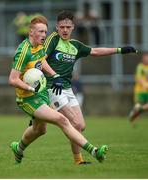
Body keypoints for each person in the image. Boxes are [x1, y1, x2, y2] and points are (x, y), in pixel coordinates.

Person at [9, 15, 108, 164]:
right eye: (40, 31)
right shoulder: (23, 52)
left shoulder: (39, 47)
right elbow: (13, 79)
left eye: (45, 32)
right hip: (28, 98)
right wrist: (30, 87)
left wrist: (54, 75)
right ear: (30, 32)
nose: (43, 35)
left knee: (40, 130)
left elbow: (42, 61)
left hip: (41, 93)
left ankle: (19, 149)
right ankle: (94, 152)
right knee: (62, 120)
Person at [43, 10, 138, 165]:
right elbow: (42, 59)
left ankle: (29, 139)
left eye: (68, 27)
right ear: (57, 27)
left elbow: (95, 51)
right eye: (62, 27)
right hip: (53, 87)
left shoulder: (76, 46)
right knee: (72, 122)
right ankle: (88, 155)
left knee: (80, 125)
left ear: (73, 27)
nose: (65, 30)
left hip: (67, 88)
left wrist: (120, 50)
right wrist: (55, 77)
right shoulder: (52, 40)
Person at [129, 52, 148, 124]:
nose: (146, 59)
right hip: (140, 90)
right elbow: (138, 77)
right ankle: (133, 121)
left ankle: (140, 110)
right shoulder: (140, 67)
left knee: (140, 107)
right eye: (145, 57)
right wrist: (144, 84)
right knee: (138, 104)